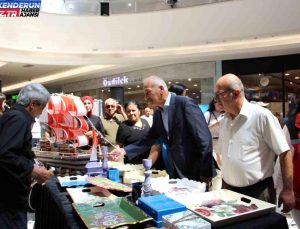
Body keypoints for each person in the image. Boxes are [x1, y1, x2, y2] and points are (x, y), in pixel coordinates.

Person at [110, 75, 216, 186]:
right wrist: (123, 151)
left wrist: (206, 172)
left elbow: (204, 139)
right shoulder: (158, 113)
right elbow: (149, 139)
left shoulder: (185, 104)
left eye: (148, 92)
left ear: (161, 89)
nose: (145, 98)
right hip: (174, 170)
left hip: (196, 171)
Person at [215, 73, 295, 213]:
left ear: (236, 93)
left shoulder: (261, 116)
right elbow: (227, 158)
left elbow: (284, 152)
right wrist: (224, 185)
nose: (216, 99)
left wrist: (288, 190)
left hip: (259, 193)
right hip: (230, 192)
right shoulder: (225, 121)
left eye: (220, 94)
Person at [0, 83, 54, 228]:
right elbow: (5, 154)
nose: (40, 113)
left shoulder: (12, 115)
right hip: (9, 201)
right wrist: (33, 170)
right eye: (41, 108)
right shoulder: (18, 118)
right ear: (33, 104)